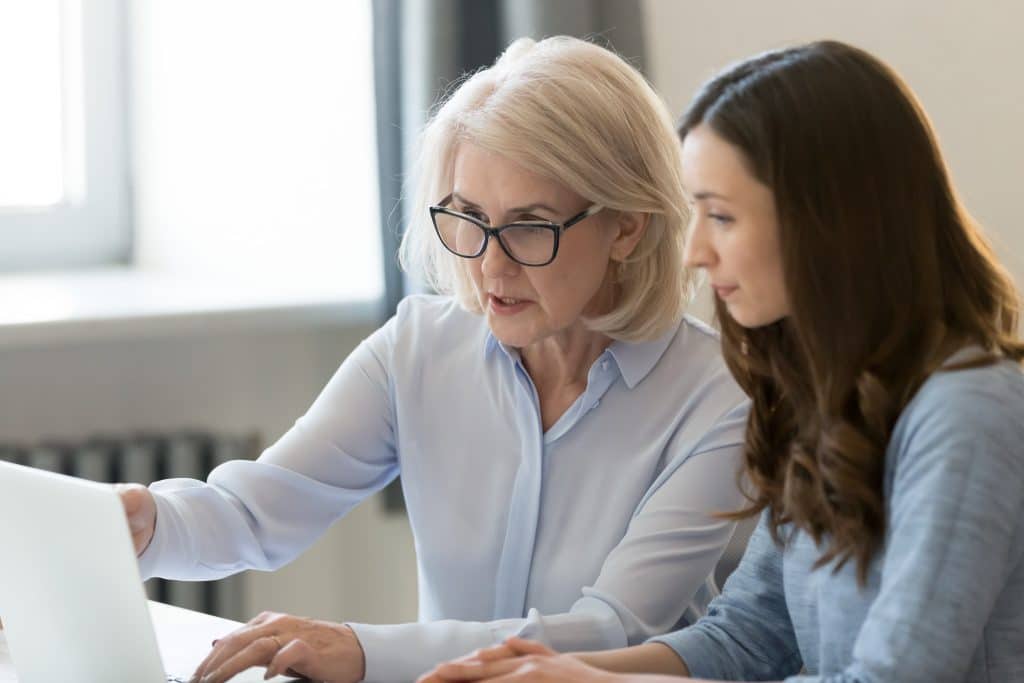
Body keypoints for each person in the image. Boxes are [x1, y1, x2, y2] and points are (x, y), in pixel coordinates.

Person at [116, 36, 750, 683]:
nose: (489, 264)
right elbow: (256, 509)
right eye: (469, 217)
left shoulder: (718, 398)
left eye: (529, 225)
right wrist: (149, 521)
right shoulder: (420, 346)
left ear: (626, 226)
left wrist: (361, 649)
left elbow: (612, 628)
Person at [420, 40, 1024, 683]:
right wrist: (552, 670)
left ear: (827, 225)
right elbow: (747, 639)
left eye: (722, 216)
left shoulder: (967, 412)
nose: (694, 253)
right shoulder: (825, 405)